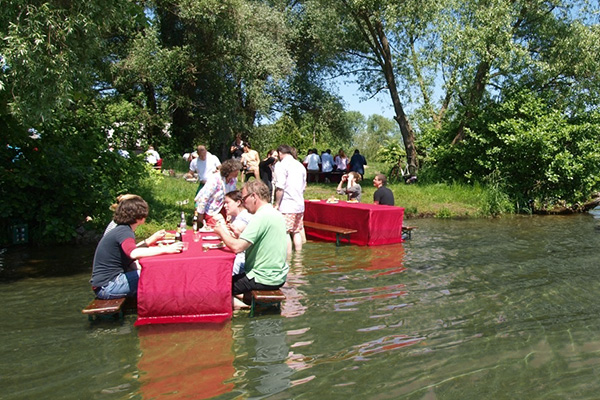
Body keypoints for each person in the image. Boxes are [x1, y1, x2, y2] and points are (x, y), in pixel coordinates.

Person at [213, 181, 288, 309]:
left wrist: (221, 232)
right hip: (278, 276)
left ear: (254, 196)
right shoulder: (275, 213)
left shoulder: (261, 216)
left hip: (263, 277)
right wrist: (238, 235)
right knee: (233, 281)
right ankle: (249, 304)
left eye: (244, 198)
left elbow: (237, 248)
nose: (243, 203)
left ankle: (243, 308)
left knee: (218, 287)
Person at [90, 196, 184, 299]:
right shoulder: (124, 232)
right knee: (156, 274)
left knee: (153, 272)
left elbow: (130, 261)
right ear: (139, 215)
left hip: (103, 286)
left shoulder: (121, 229)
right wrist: (166, 249)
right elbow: (133, 253)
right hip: (109, 286)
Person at [274, 144, 307, 255]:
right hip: (299, 203)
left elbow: (280, 187)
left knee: (285, 232)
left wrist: (276, 203)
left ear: (280, 153)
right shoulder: (300, 165)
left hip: (287, 204)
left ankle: (287, 258)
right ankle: (298, 257)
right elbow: (304, 186)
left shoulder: (281, 165)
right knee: (296, 231)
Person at [194, 158, 242, 227]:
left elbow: (232, 196)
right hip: (210, 209)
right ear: (230, 171)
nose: (238, 172)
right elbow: (204, 197)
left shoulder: (233, 180)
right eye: (237, 171)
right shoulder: (215, 179)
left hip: (224, 208)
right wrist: (200, 216)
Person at [223, 190, 252, 276]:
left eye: (227, 203)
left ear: (238, 202)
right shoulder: (235, 216)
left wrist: (220, 222)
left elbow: (230, 236)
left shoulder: (244, 217)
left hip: (243, 260)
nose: (225, 206)